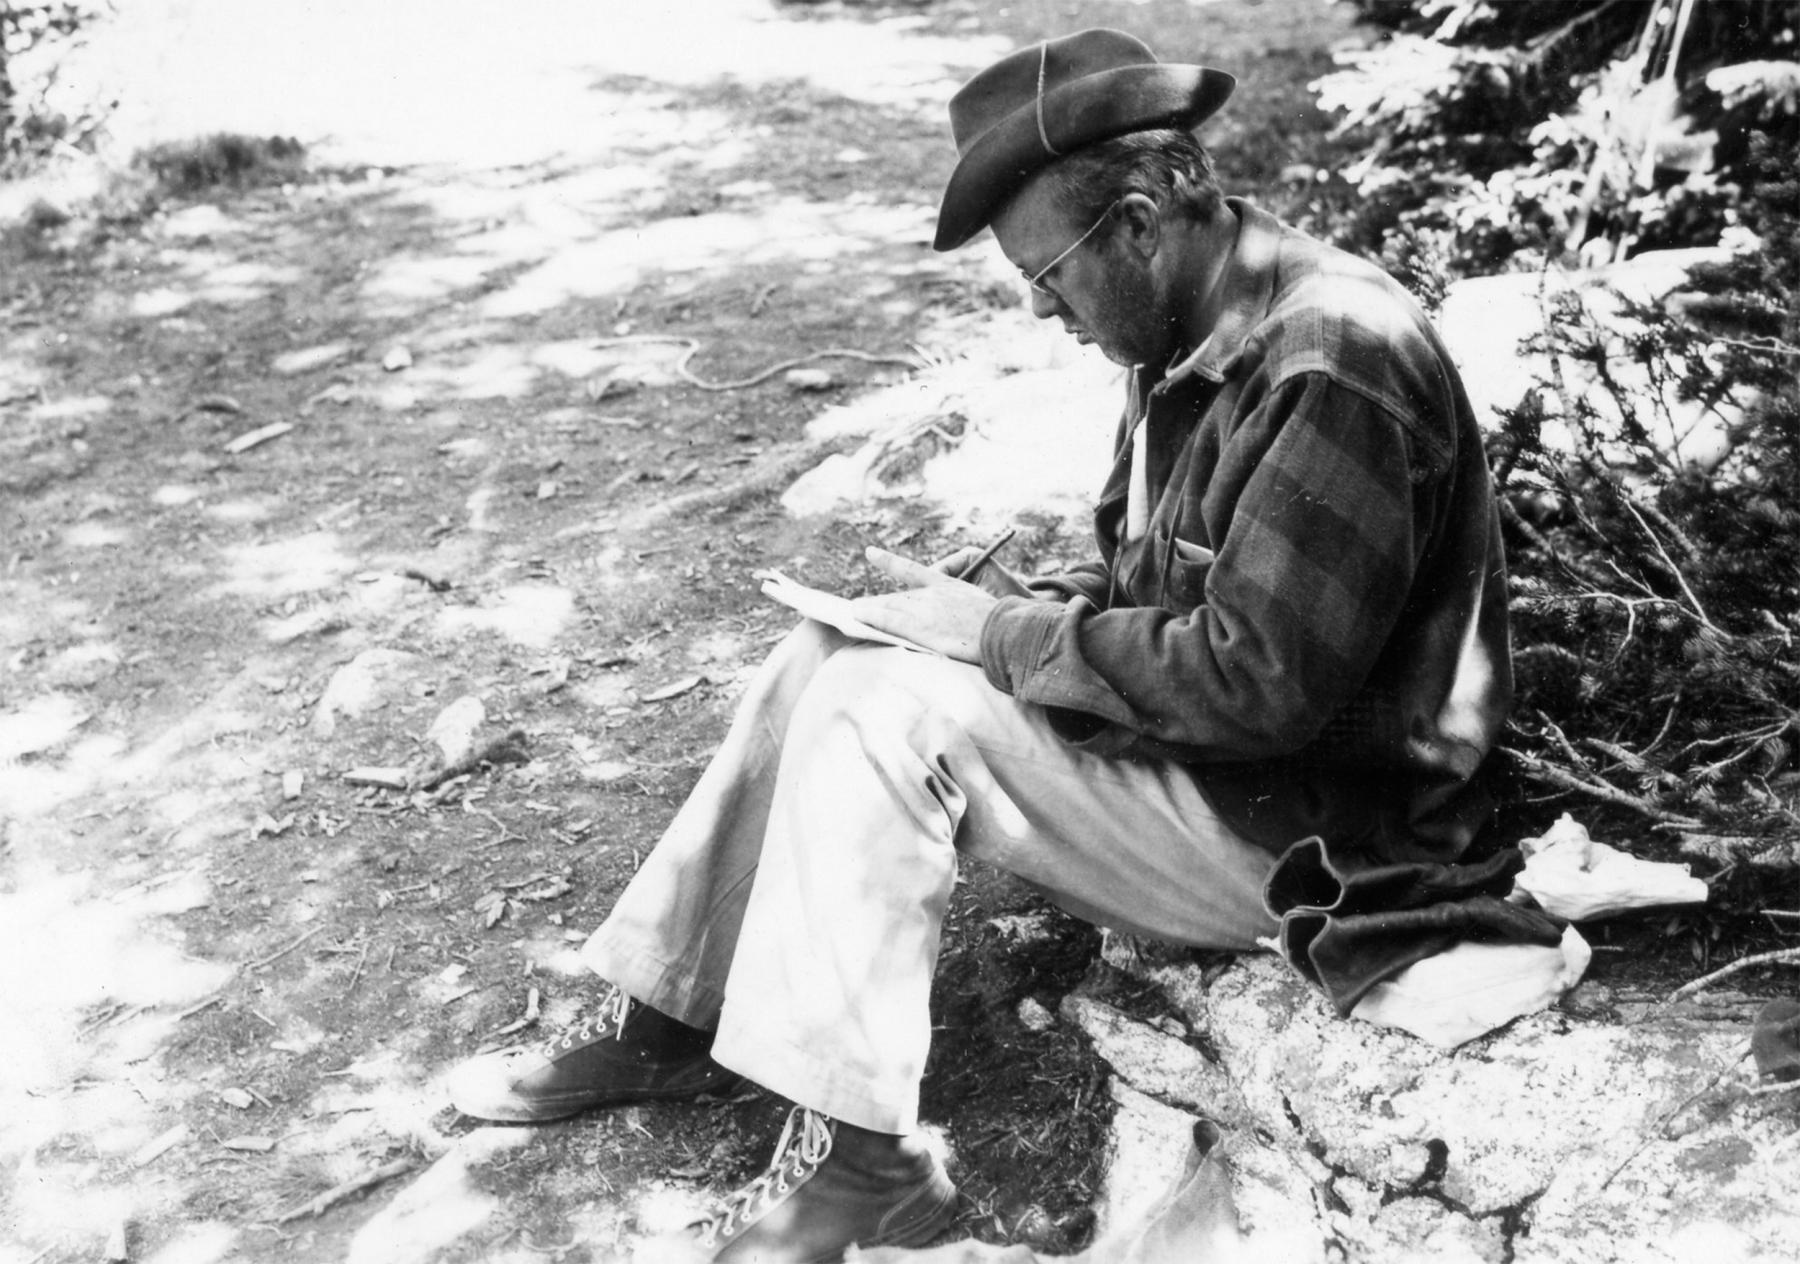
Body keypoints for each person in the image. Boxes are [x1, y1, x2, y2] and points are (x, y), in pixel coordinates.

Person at [445, 27, 1521, 1263]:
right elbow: (1138, 567)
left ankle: (870, 1172)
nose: (1037, 305)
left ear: (1136, 222)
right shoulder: (1189, 314)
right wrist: (964, 608)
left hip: (1325, 849)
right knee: (822, 660)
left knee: (886, 717)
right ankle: (675, 1016)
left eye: (1046, 273)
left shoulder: (1334, 361)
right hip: (1226, 780)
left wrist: (999, 640)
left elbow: (1256, 683)